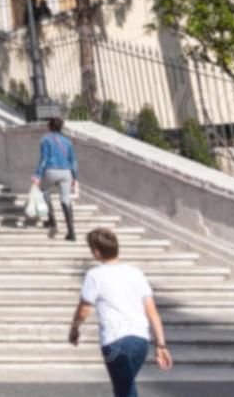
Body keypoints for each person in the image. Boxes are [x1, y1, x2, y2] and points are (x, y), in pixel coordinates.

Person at [68, 227, 173, 397]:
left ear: (96, 252)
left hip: (115, 342)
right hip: (140, 341)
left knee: (124, 391)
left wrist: (74, 330)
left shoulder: (95, 275)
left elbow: (84, 309)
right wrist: (160, 344)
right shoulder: (136, 273)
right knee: (125, 387)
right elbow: (152, 311)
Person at [33, 117, 79, 240]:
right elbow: (73, 161)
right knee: (65, 200)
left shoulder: (45, 139)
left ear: (50, 126)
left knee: (43, 191)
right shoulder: (68, 141)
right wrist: (75, 176)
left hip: (51, 170)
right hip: (66, 172)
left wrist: (37, 175)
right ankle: (71, 232)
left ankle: (51, 219)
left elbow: (44, 159)